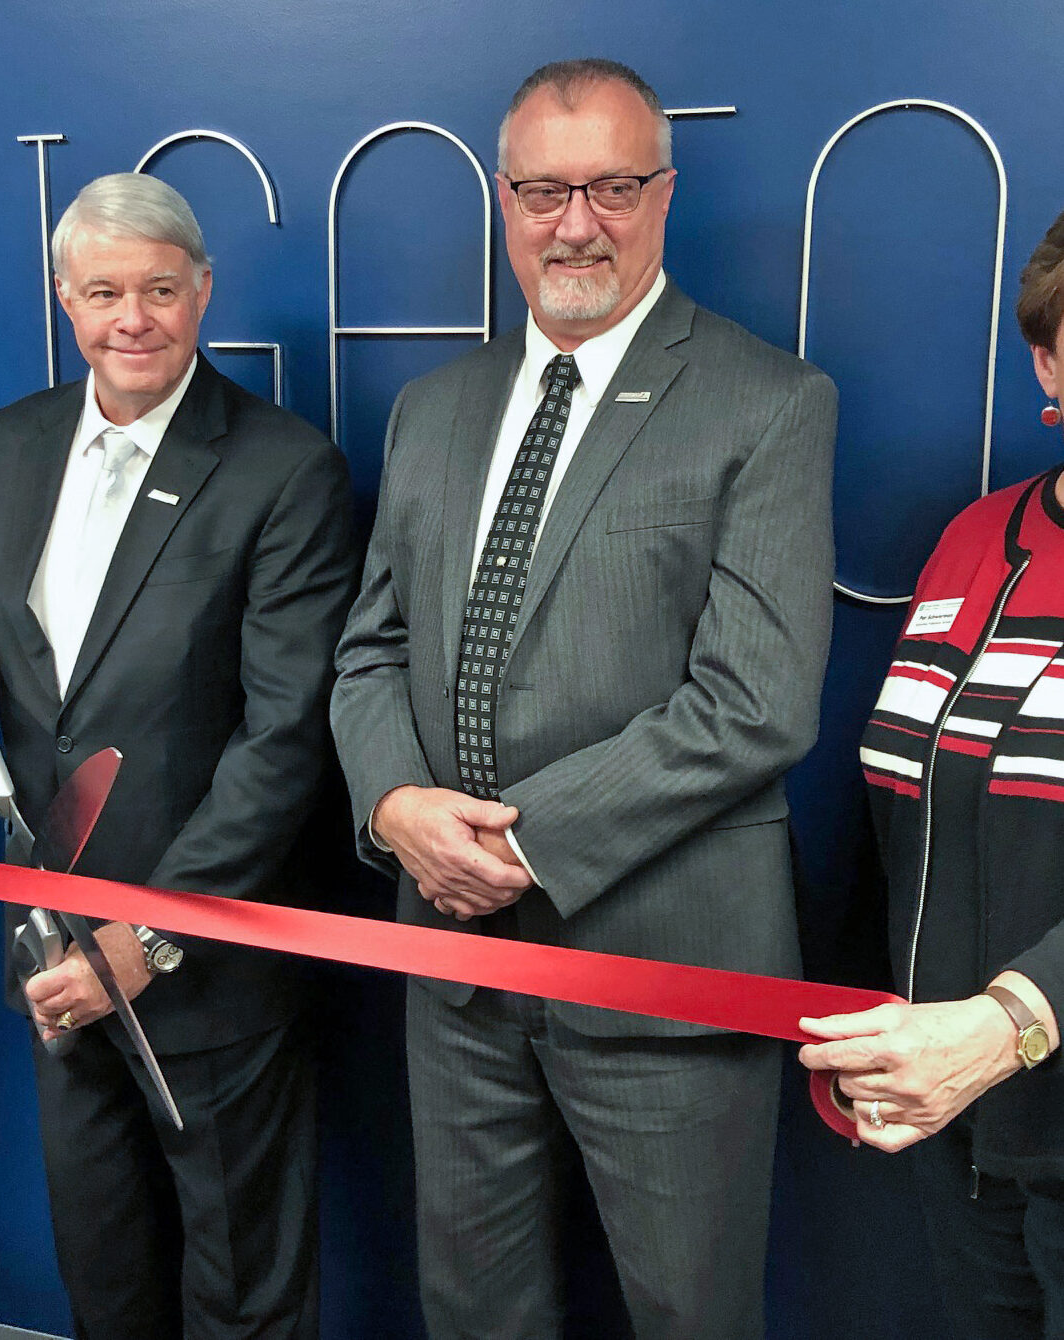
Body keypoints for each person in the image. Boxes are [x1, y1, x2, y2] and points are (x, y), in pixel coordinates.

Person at [331, 58, 837, 1340]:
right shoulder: (431, 412)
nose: (576, 223)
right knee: (473, 1311)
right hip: (448, 962)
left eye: (611, 186)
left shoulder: (765, 402)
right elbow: (367, 649)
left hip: (664, 965)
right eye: (545, 190)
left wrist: (515, 844)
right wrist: (396, 807)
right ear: (503, 203)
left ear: (662, 194)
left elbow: (754, 700)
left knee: (688, 1313)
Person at [0, 173, 355, 1340]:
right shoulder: (13, 439)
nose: (130, 318)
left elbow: (284, 735)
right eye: (103, 292)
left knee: (240, 1290)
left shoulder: (283, 468)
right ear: (64, 298)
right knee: (103, 1270)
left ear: (202, 291)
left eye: (157, 288)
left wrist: (149, 935)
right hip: (50, 950)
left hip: (205, 959)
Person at [800, 210, 1064, 1339]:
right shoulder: (972, 539)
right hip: (950, 1125)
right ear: (1047, 357)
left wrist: (1011, 1023)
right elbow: (895, 808)